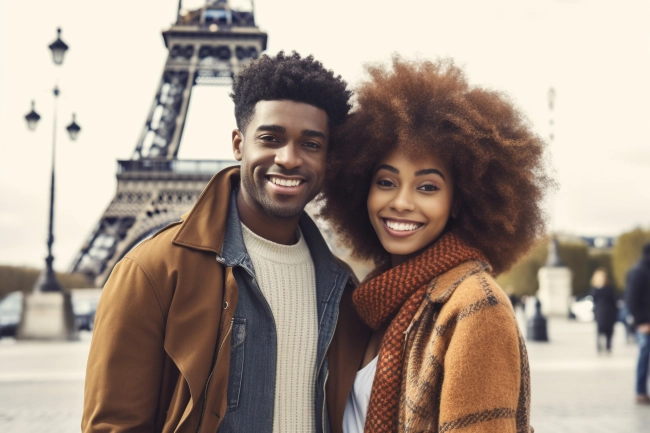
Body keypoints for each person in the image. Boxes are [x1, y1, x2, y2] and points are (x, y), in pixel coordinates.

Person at [82, 51, 353, 433]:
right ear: (239, 145)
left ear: (328, 158)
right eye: (271, 138)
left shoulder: (343, 288)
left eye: (311, 144)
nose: (289, 159)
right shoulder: (151, 271)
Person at [320, 57, 551, 432]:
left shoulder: (476, 306)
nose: (402, 202)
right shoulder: (373, 301)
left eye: (427, 187)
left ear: (459, 201)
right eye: (385, 182)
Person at [625, 242, 650, 405]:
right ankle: (640, 392)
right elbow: (632, 301)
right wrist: (642, 322)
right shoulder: (639, 272)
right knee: (644, 356)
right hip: (645, 324)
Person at [589, 268, 618, 354]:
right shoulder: (595, 289)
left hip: (608, 313)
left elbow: (614, 300)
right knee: (601, 330)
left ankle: (607, 346)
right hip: (601, 313)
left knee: (607, 331)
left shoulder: (609, 289)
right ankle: (601, 347)